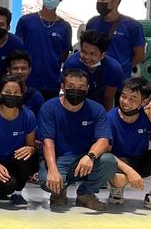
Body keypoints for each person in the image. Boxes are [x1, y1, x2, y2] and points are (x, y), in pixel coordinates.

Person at [38, 69, 118, 211]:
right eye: (71, 86)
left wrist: (90, 156)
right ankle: (58, 191)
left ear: (87, 88)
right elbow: (47, 142)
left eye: (81, 87)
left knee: (109, 161)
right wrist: (53, 170)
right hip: (59, 158)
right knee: (47, 179)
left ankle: (85, 195)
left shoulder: (96, 109)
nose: (76, 90)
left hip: (85, 159)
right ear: (63, 87)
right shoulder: (48, 108)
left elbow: (104, 140)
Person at [106, 77, 151, 213]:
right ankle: (116, 188)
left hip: (141, 158)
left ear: (144, 102)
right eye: (123, 96)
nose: (125, 102)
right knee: (119, 180)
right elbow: (106, 152)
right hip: (119, 161)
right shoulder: (110, 118)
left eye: (132, 99)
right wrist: (129, 171)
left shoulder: (146, 114)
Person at [0, 74, 40, 207]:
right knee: (7, 186)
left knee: (27, 156)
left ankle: (18, 192)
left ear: (22, 94)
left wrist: (30, 149)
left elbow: (32, 145)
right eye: (8, 92)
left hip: (15, 161)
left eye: (16, 92)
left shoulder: (28, 115)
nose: (12, 95)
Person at [15, 0, 71, 97]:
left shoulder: (65, 27)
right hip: (26, 82)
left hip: (51, 83)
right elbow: (17, 51)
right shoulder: (26, 21)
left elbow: (64, 55)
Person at [85, 0, 147, 76]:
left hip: (120, 78)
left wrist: (124, 68)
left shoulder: (133, 26)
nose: (99, 2)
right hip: (94, 76)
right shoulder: (92, 23)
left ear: (115, 2)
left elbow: (139, 55)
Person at [64, 30, 125, 109]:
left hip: (99, 106)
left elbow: (108, 97)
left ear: (103, 55)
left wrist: (106, 115)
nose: (87, 57)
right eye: (83, 51)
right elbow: (67, 93)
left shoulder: (114, 69)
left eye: (92, 54)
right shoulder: (71, 64)